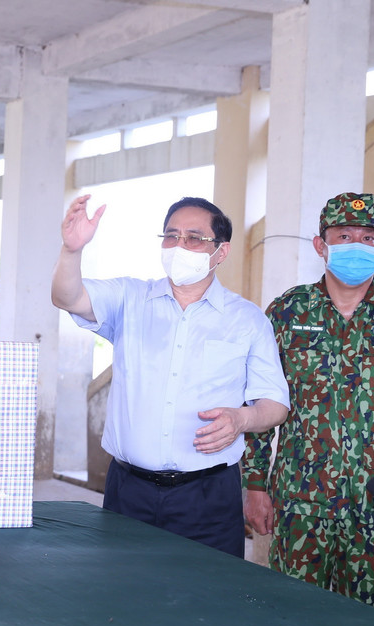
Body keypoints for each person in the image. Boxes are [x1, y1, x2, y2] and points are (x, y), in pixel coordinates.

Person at [51, 194, 289, 556]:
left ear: (220, 252)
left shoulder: (247, 320)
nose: (180, 245)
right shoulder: (130, 299)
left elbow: (276, 404)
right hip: (128, 491)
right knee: (123, 598)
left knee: (207, 601)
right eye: (171, 235)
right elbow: (68, 297)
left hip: (208, 496)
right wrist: (71, 251)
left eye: (194, 238)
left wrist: (243, 418)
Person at [243, 192, 374, 608]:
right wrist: (255, 484)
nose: (356, 245)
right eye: (344, 235)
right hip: (300, 504)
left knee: (367, 622)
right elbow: (257, 399)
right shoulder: (288, 313)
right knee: (291, 616)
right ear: (320, 245)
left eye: (368, 237)